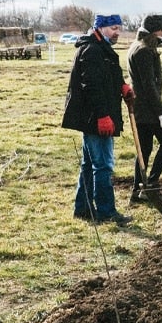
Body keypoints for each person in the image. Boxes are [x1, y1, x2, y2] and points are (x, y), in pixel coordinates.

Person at [62, 14, 135, 226]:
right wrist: (103, 116)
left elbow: (110, 74)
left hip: (97, 115)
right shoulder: (91, 50)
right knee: (103, 165)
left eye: (119, 28)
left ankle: (83, 209)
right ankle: (106, 212)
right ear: (100, 28)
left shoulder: (102, 48)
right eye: (113, 28)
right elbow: (92, 87)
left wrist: (122, 85)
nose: (117, 32)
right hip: (95, 117)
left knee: (89, 164)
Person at [127, 14, 162, 206]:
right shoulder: (145, 51)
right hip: (148, 110)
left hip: (141, 109)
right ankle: (151, 185)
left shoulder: (138, 47)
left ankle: (138, 191)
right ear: (155, 31)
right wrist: (161, 112)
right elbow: (149, 86)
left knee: (144, 151)